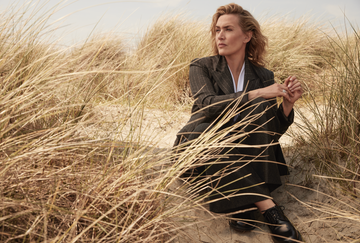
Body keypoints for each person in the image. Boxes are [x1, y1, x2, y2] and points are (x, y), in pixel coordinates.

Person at [173, 3, 303, 243]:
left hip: (244, 152)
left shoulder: (263, 76)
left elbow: (269, 134)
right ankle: (270, 209)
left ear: (247, 35)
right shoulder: (202, 66)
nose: (220, 35)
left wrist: (287, 105)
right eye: (217, 30)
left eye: (228, 29)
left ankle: (242, 206)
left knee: (260, 107)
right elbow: (208, 104)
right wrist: (257, 94)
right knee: (221, 137)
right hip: (201, 149)